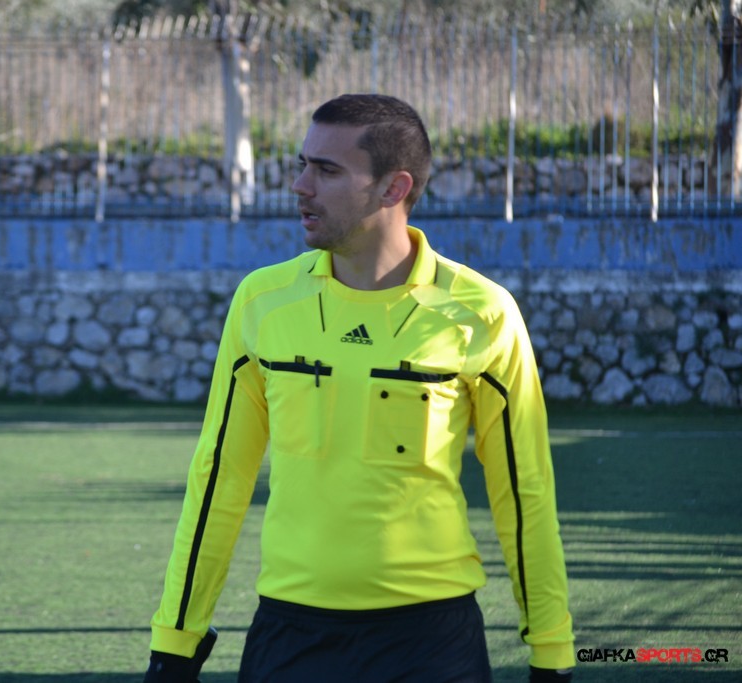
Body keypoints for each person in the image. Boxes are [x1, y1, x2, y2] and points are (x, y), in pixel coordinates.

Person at [143, 93, 574, 682]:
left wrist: (551, 648)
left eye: (326, 170)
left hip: (432, 643)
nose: (300, 186)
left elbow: (524, 493)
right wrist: (175, 639)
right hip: (289, 636)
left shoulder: (483, 314)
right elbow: (219, 478)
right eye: (303, 164)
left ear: (394, 188)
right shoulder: (262, 302)